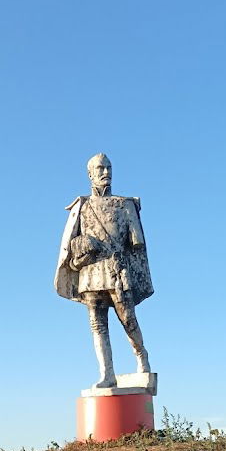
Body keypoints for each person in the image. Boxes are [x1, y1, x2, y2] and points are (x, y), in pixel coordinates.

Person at [54, 154, 153, 388]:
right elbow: (70, 244)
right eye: (100, 168)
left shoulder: (125, 204)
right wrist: (82, 247)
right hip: (91, 270)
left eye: (108, 168)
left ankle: (141, 355)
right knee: (97, 324)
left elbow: (136, 244)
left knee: (128, 319)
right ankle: (107, 373)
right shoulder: (81, 206)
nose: (106, 172)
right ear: (90, 174)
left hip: (117, 270)